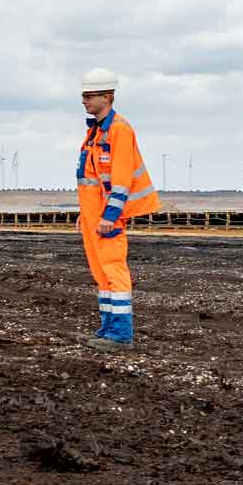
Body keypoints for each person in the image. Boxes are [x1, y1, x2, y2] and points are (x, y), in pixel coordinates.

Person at [76, 68, 161, 350]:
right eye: (84, 95)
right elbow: (93, 180)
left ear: (108, 97)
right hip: (93, 215)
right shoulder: (96, 132)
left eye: (90, 95)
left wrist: (109, 216)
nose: (84, 100)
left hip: (107, 217)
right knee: (101, 273)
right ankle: (107, 327)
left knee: (114, 269)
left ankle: (121, 334)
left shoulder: (119, 131)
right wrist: (86, 214)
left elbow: (122, 182)